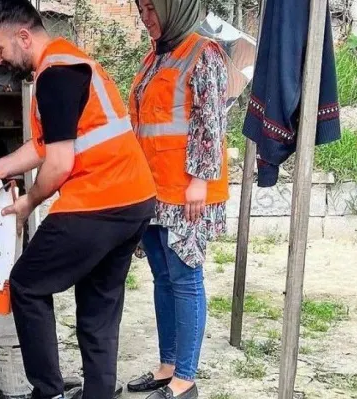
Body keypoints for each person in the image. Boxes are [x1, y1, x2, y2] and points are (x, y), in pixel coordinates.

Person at [0, 0, 157, 397]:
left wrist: (28, 203)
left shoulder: (54, 76)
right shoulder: (70, 63)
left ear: (23, 36)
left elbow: (56, 165)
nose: (0, 62)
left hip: (98, 201)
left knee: (26, 283)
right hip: (134, 199)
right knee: (98, 308)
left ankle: (47, 391)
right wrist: (0, 167)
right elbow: (45, 144)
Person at [125, 0, 230, 398]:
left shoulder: (204, 54)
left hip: (188, 193)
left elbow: (210, 123)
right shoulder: (155, 57)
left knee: (185, 280)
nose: (146, 18)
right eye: (142, 9)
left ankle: (185, 379)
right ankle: (167, 366)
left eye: (153, 9)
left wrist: (199, 182)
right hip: (152, 191)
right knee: (162, 279)